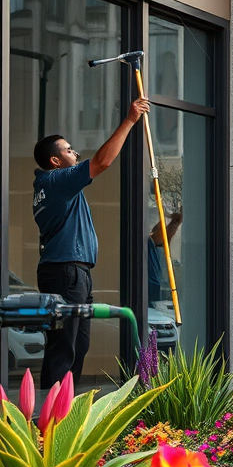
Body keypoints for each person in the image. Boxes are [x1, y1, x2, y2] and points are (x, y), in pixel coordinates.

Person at [32, 97, 151, 387]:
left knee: (75, 345)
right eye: (69, 149)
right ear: (55, 160)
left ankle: (65, 413)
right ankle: (52, 420)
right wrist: (130, 120)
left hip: (68, 272)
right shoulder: (56, 180)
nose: (75, 152)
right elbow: (102, 161)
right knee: (65, 347)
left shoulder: (52, 186)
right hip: (66, 272)